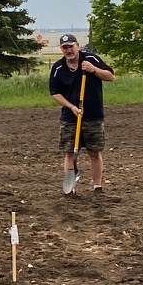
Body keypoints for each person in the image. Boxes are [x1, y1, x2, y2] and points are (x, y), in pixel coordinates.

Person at [49, 34, 115, 193]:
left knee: (94, 152)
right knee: (69, 152)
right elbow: (55, 93)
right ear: (61, 49)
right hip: (70, 118)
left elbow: (110, 76)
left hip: (93, 116)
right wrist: (72, 107)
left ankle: (97, 187)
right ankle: (71, 188)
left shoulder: (91, 59)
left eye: (71, 46)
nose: (68, 50)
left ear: (77, 45)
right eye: (65, 47)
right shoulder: (58, 68)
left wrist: (93, 70)